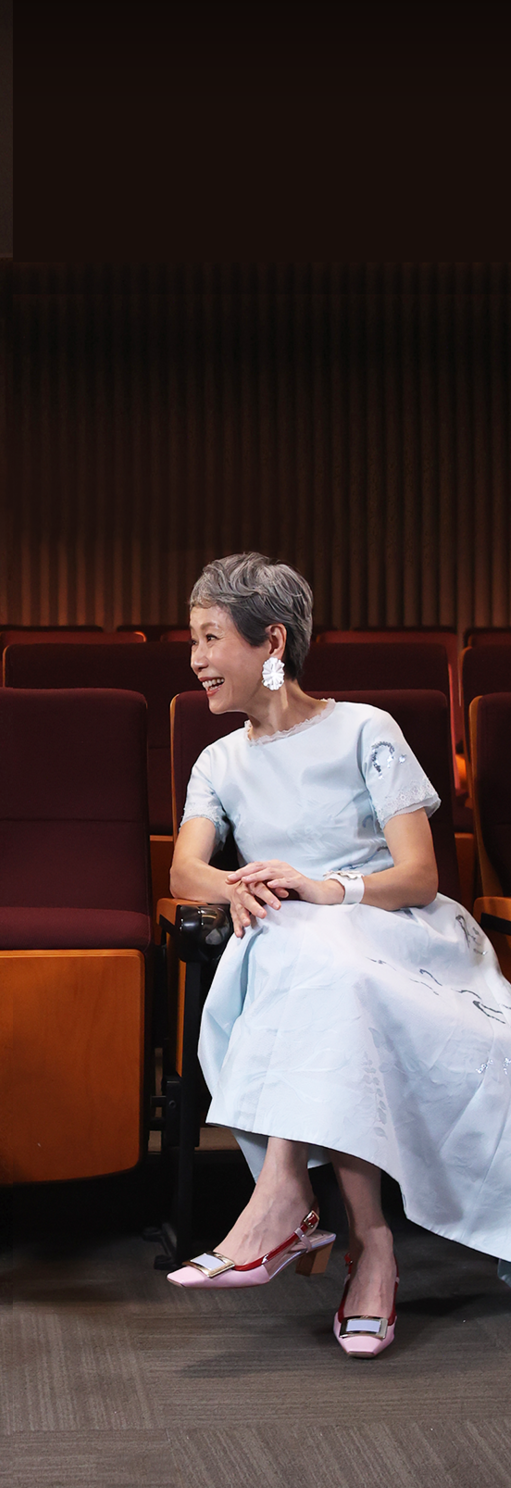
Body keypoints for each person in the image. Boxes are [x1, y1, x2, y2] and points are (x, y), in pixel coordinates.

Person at [167, 552, 511, 1357]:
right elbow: (185, 872)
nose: (196, 659)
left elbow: (419, 874)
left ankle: (291, 1204)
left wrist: (326, 889)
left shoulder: (365, 728)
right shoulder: (219, 760)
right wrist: (242, 887)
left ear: (271, 642)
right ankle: (369, 1243)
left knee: (330, 963)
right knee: (318, 962)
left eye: (211, 638)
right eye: (194, 640)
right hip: (297, 942)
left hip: (399, 931)